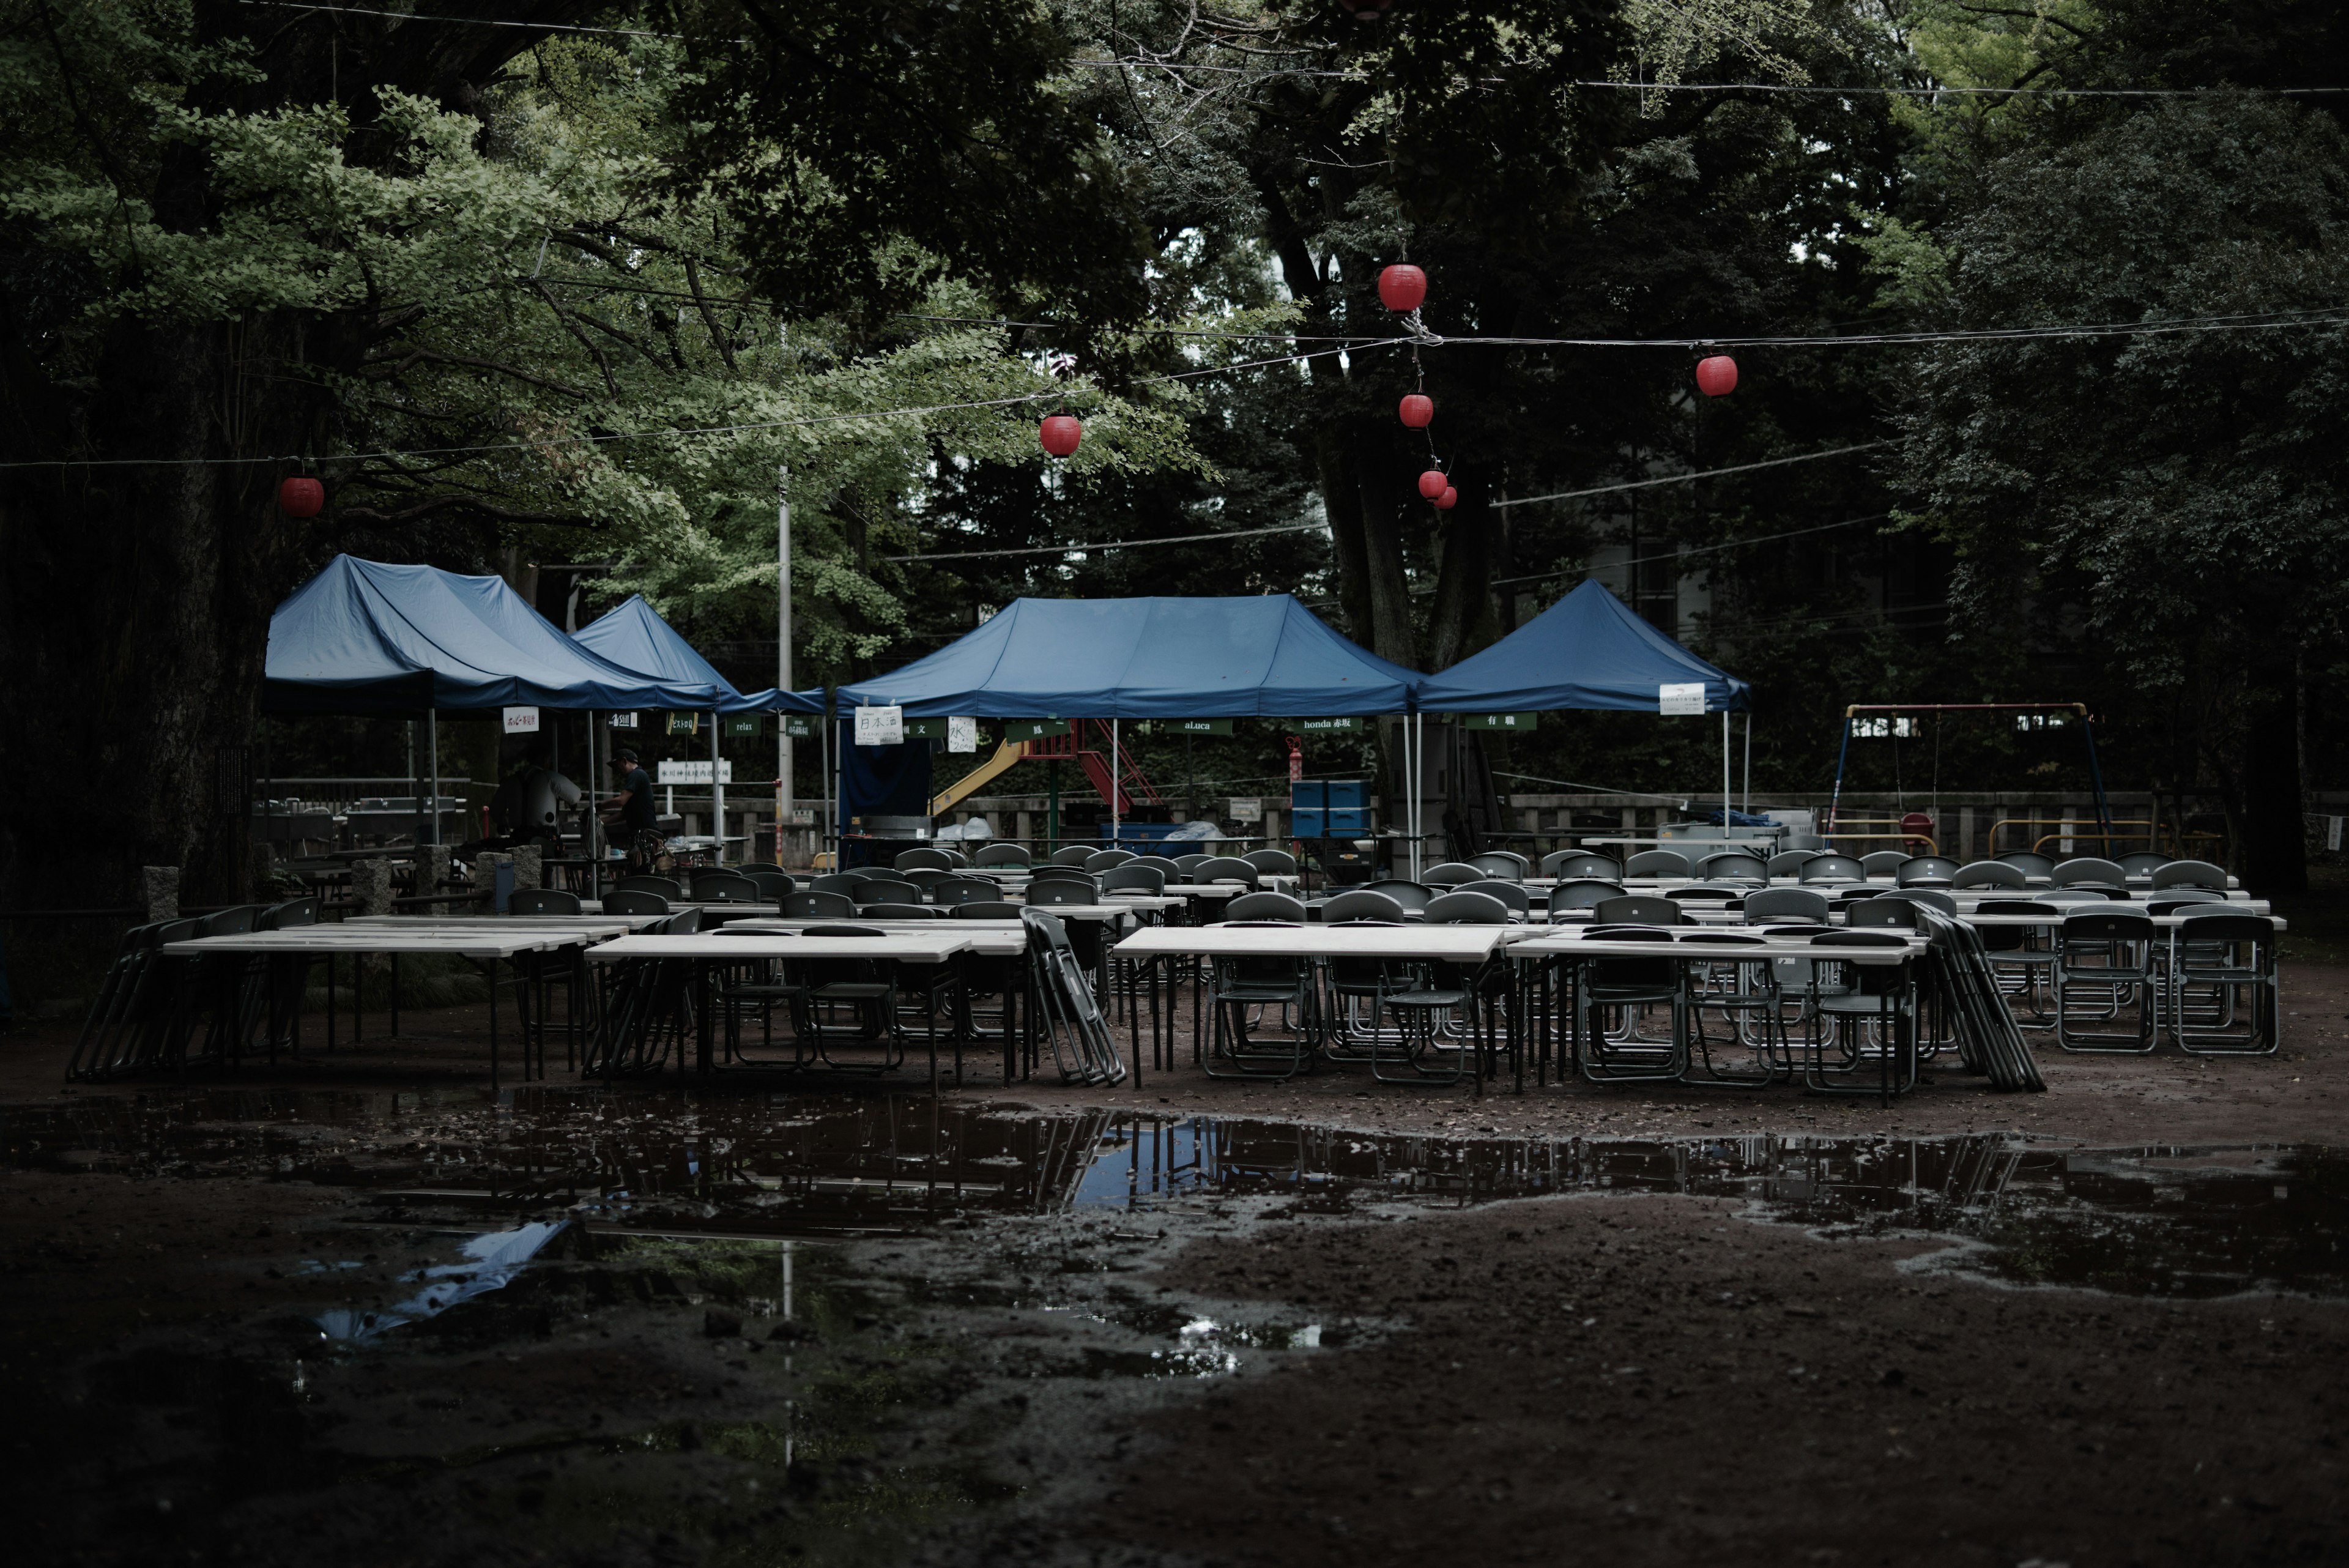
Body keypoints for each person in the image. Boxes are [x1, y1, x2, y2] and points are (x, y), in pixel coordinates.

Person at [603, 747, 662, 871]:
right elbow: (624, 814)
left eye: (617, 766)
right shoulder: (637, 778)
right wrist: (601, 823)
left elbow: (621, 801)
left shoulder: (637, 774)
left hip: (646, 837)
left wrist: (597, 807)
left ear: (624, 761)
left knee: (643, 876)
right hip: (640, 837)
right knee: (639, 874)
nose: (617, 771)